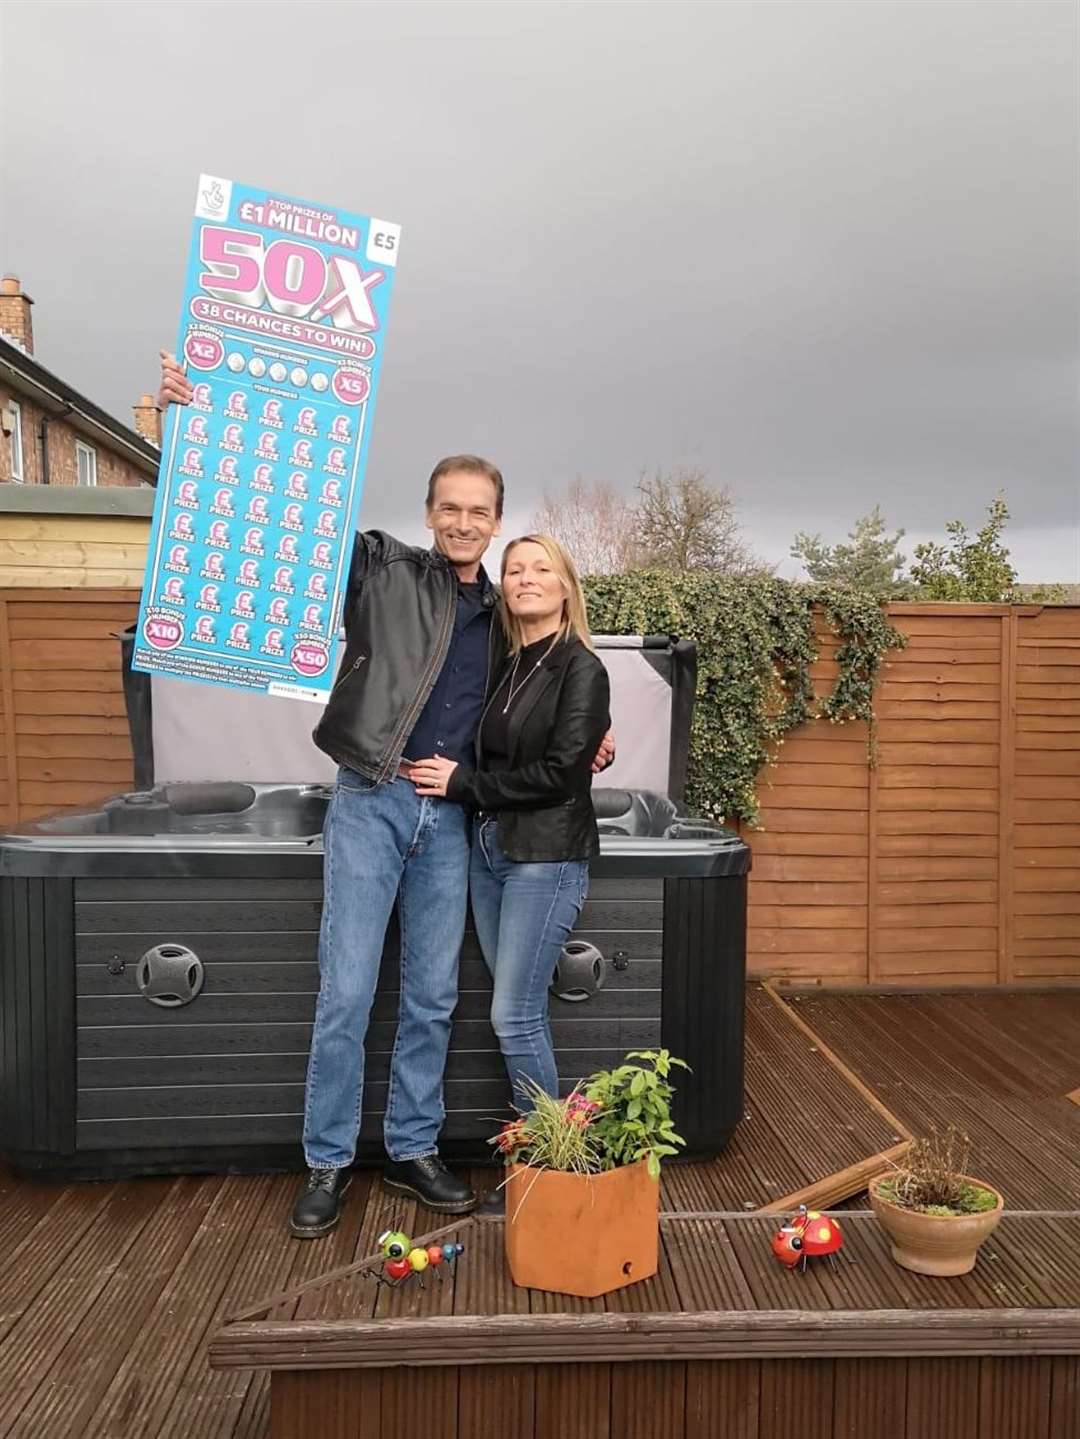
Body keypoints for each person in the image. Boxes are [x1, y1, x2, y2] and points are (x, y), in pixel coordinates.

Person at [155, 353, 614, 1238]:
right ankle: (327, 1162)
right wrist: (195, 422)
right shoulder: (381, 570)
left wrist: (588, 738)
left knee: (434, 997)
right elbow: (272, 519)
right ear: (431, 511)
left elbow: (543, 707)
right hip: (371, 801)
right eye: (452, 508)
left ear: (498, 520)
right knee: (348, 992)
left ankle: (411, 1148)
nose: (465, 523)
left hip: (452, 824)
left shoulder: (511, 623)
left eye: (481, 512)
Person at [409, 535, 610, 1117]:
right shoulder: (508, 664)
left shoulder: (582, 668)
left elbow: (559, 776)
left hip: (546, 857)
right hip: (490, 851)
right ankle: (550, 1146)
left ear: (565, 587)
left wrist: (461, 784)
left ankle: (554, 1154)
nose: (525, 578)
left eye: (541, 568)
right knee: (519, 1010)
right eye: (515, 569)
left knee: (513, 1014)